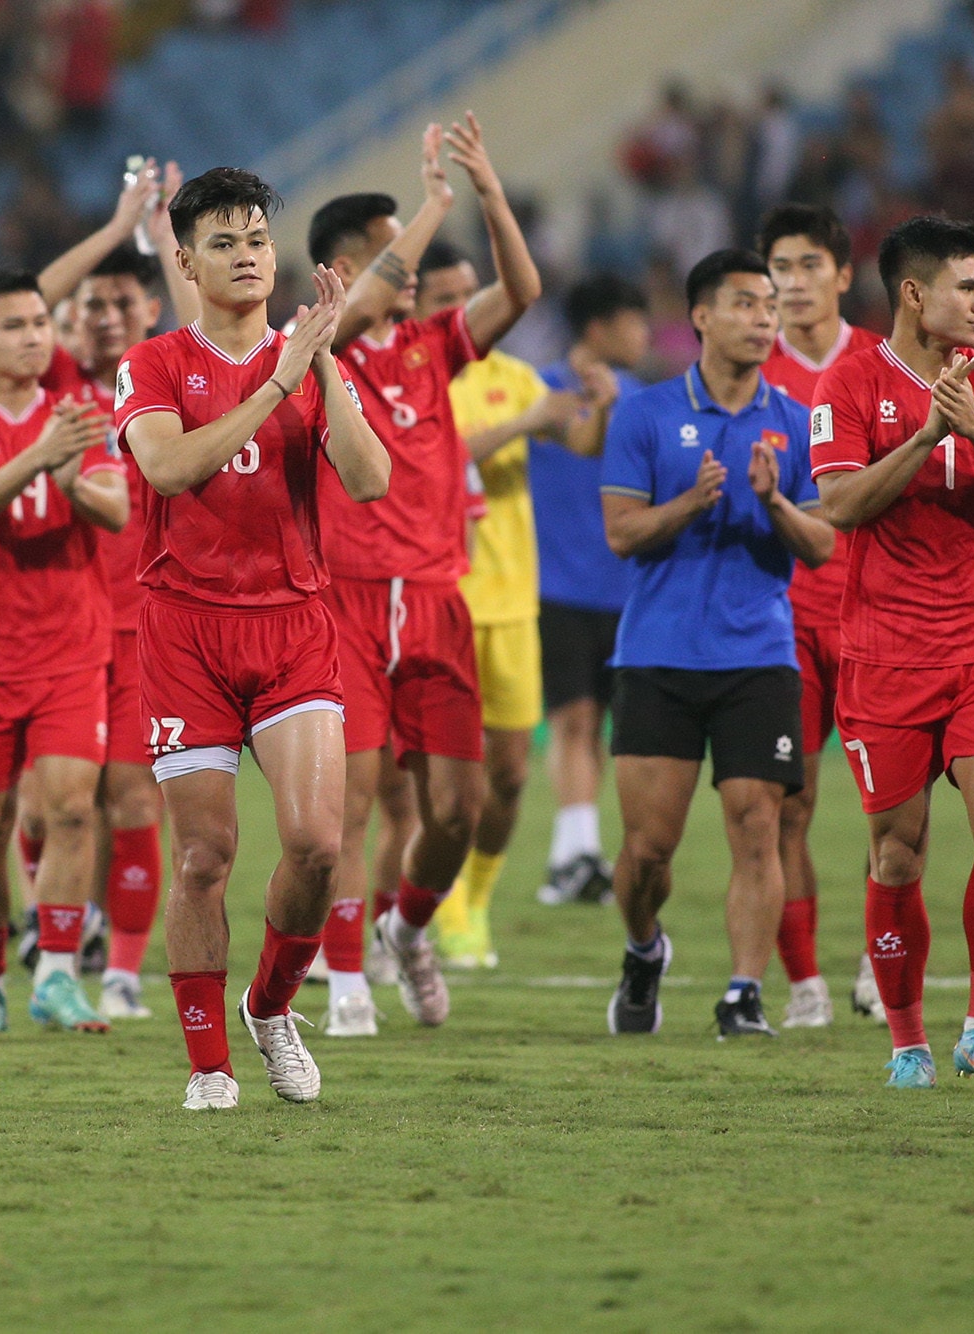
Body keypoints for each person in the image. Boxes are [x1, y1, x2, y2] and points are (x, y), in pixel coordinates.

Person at [113, 168, 388, 1110]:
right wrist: (278, 382)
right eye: (223, 242)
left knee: (316, 845)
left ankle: (269, 1008)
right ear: (186, 263)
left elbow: (371, 481)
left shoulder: (309, 360)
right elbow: (168, 467)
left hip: (292, 625)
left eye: (259, 239)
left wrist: (323, 365)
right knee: (205, 856)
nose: (247, 256)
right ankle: (209, 1067)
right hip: (184, 633)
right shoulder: (154, 364)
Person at [811, 216, 974, 1091]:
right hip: (885, 654)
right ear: (915, 294)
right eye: (969, 286)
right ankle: (909, 1044)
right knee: (898, 855)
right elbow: (841, 507)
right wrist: (923, 436)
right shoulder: (847, 384)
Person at [307, 114, 541, 1035]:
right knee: (351, 805)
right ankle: (347, 984)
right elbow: (370, 294)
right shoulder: (315, 347)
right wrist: (432, 204)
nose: (408, 265)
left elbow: (522, 289)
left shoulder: (433, 344)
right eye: (389, 247)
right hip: (349, 602)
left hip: (440, 599)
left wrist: (485, 190)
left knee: (458, 810)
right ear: (345, 265)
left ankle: (405, 929)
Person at [600, 249, 834, 1038]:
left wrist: (773, 502)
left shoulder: (796, 423)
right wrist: (690, 504)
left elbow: (822, 545)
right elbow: (621, 533)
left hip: (759, 656)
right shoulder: (644, 414)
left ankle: (743, 994)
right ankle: (643, 950)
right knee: (647, 851)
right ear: (701, 316)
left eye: (770, 306)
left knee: (758, 825)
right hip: (656, 655)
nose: (764, 318)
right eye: (745, 304)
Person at [29, 166, 196, 1015]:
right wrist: (113, 226)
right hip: (55, 623)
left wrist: (160, 232)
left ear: (149, 310)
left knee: (132, 802)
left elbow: (201, 322)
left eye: (122, 303)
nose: (103, 315)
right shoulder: (54, 380)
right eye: (90, 304)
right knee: (43, 808)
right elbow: (27, 302)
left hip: (139, 625)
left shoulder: (166, 377)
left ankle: (123, 973)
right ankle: (58, 926)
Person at [0, 267, 127, 1035]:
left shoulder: (79, 414)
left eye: (41, 323)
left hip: (70, 648)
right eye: (14, 326)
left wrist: (73, 482)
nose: (34, 338)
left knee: (73, 811)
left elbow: (117, 508)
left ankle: (56, 974)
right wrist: (38, 459)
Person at [415, 239, 602, 969]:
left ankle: (477, 895)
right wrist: (527, 421)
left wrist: (599, 407)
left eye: (471, 294)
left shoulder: (514, 375)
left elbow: (577, 440)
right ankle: (441, 905)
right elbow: (439, 459)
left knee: (512, 774)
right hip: (442, 602)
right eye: (446, 298)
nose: (465, 310)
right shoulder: (417, 378)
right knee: (441, 780)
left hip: (516, 603)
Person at [758, 202, 886, 1029]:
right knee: (786, 806)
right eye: (781, 268)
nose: (795, 283)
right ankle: (804, 984)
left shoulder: (886, 363)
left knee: (892, 809)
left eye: (810, 266)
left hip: (879, 614)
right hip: (783, 623)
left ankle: (881, 959)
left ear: (843, 274)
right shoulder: (749, 369)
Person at [533, 274, 645, 906]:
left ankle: (571, 852)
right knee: (573, 718)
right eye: (634, 321)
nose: (645, 334)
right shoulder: (541, 391)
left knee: (598, 724)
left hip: (625, 588)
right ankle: (578, 852)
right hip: (557, 583)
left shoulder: (644, 398)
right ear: (599, 328)